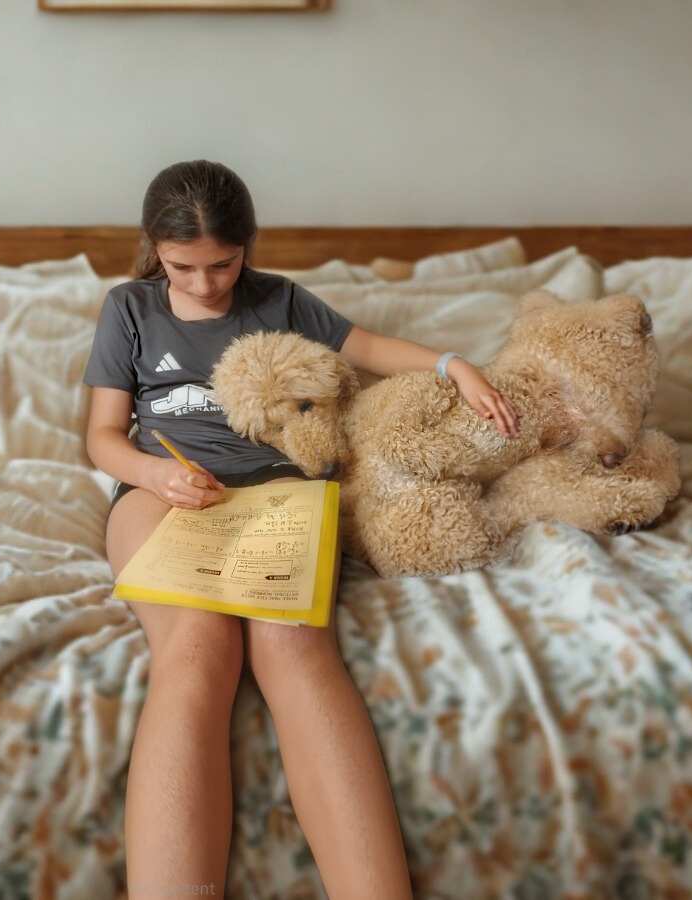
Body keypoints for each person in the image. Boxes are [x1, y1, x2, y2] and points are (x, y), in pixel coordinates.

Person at [84, 160, 519, 898]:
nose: (203, 284)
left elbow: (370, 349)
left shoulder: (279, 300)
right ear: (153, 249)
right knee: (196, 647)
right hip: (165, 490)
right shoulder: (128, 308)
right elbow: (102, 436)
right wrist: (157, 475)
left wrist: (456, 365)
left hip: (280, 492)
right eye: (182, 266)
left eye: (221, 264)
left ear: (249, 245)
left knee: (291, 642)